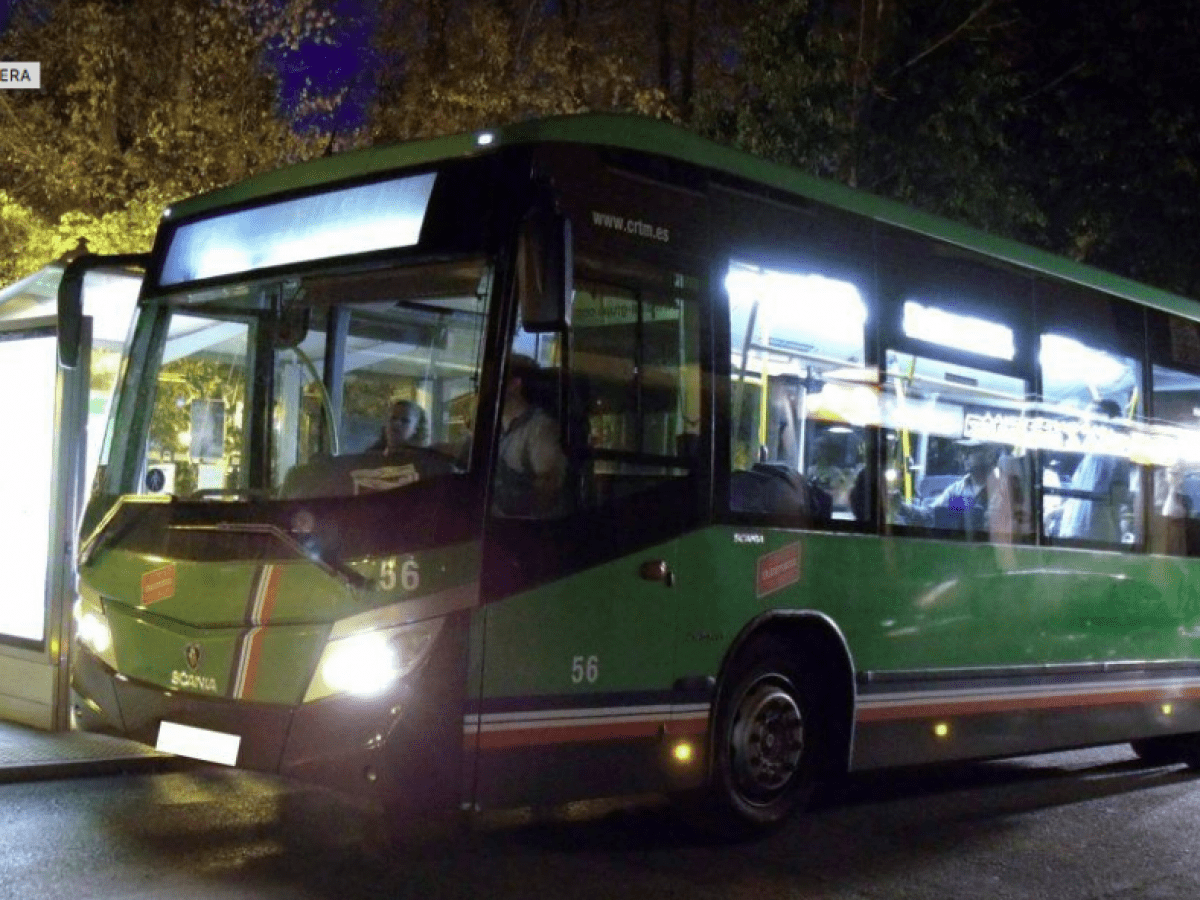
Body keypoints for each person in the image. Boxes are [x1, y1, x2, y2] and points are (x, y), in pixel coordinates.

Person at [493, 354, 568, 518]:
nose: (486, 385)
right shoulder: (490, 427)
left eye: (495, 378)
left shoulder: (540, 429)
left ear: (515, 384)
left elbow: (546, 493)